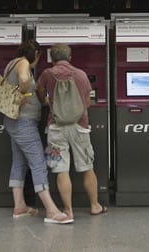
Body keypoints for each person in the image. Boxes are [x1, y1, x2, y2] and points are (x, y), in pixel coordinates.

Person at [2, 39, 73, 224]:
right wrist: (23, 94)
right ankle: (51, 210)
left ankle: (20, 206)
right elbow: (25, 80)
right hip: (23, 123)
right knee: (38, 163)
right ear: (35, 54)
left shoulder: (11, 64)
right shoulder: (23, 62)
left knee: (19, 163)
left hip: (13, 121)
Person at [36, 43, 108, 219]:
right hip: (80, 127)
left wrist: (47, 101)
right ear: (70, 57)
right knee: (87, 167)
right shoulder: (81, 75)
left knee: (61, 170)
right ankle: (95, 205)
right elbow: (87, 103)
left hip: (55, 128)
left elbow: (39, 91)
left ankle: (68, 210)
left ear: (52, 58)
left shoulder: (47, 74)